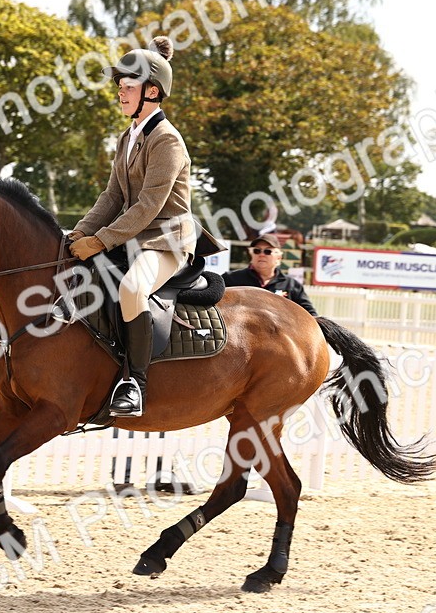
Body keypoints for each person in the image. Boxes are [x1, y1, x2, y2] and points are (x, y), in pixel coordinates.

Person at [67, 36, 223, 417]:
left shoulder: (167, 140)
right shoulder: (127, 137)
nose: (120, 93)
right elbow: (112, 196)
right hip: (133, 238)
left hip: (166, 241)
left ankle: (135, 382)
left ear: (151, 91)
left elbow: (149, 206)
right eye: (119, 87)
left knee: (133, 288)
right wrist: (79, 232)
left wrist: (100, 241)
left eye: (127, 87)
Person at [222, 233, 318, 316]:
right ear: (251, 254)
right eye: (257, 250)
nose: (262, 254)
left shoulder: (292, 285)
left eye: (268, 251)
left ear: (279, 258)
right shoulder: (231, 279)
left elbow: (311, 316)